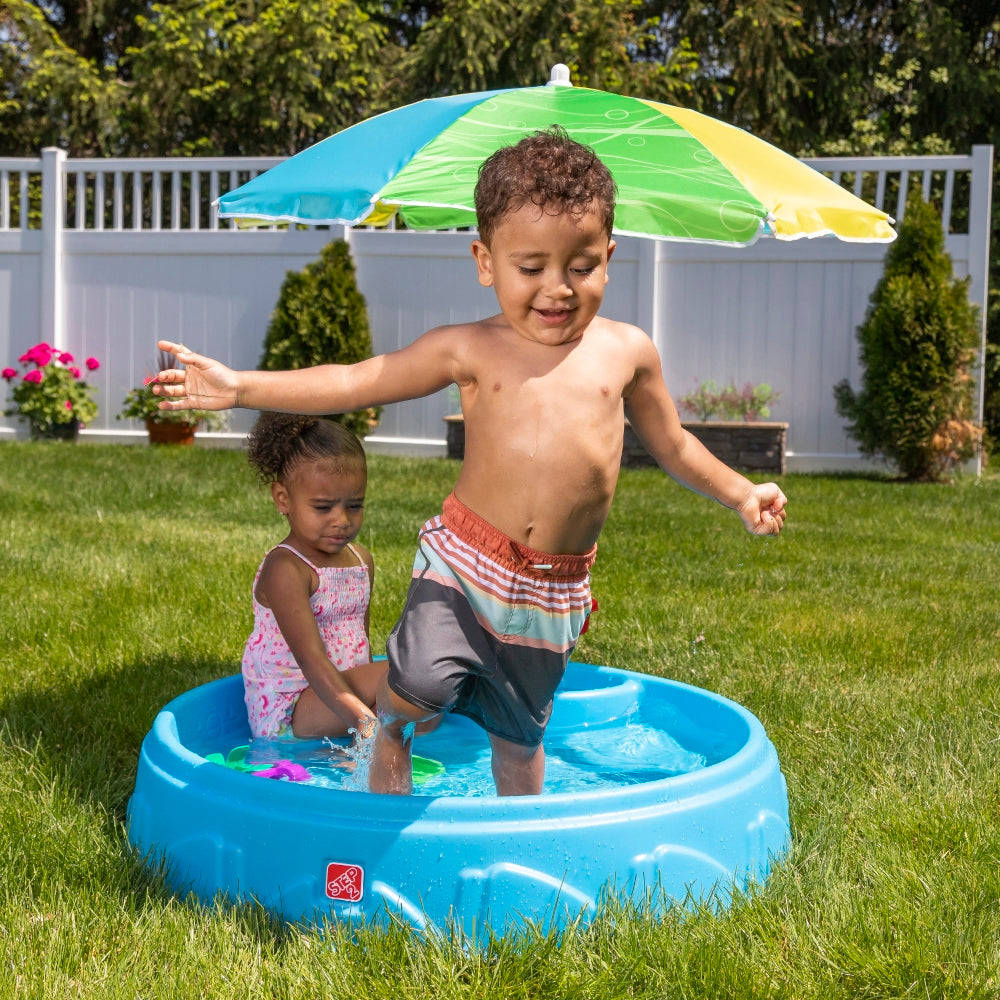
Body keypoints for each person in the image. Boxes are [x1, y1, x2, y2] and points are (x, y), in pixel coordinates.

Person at [153, 127, 787, 797]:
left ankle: (521, 842)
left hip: (553, 590)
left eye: (581, 264)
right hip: (464, 562)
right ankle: (378, 792)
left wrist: (740, 493)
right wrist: (241, 387)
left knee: (520, 739)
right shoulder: (470, 348)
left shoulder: (628, 352)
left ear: (610, 256)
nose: (558, 288)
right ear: (486, 261)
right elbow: (355, 381)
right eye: (531, 266)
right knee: (416, 693)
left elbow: (674, 445)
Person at [241, 411, 381, 741]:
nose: (341, 520)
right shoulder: (286, 568)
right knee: (402, 681)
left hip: (340, 699)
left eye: (355, 505)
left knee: (420, 685)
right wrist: (366, 721)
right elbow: (312, 660)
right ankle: (376, 747)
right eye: (323, 507)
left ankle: (375, 744)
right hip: (290, 713)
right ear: (283, 499)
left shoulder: (362, 561)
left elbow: (362, 646)